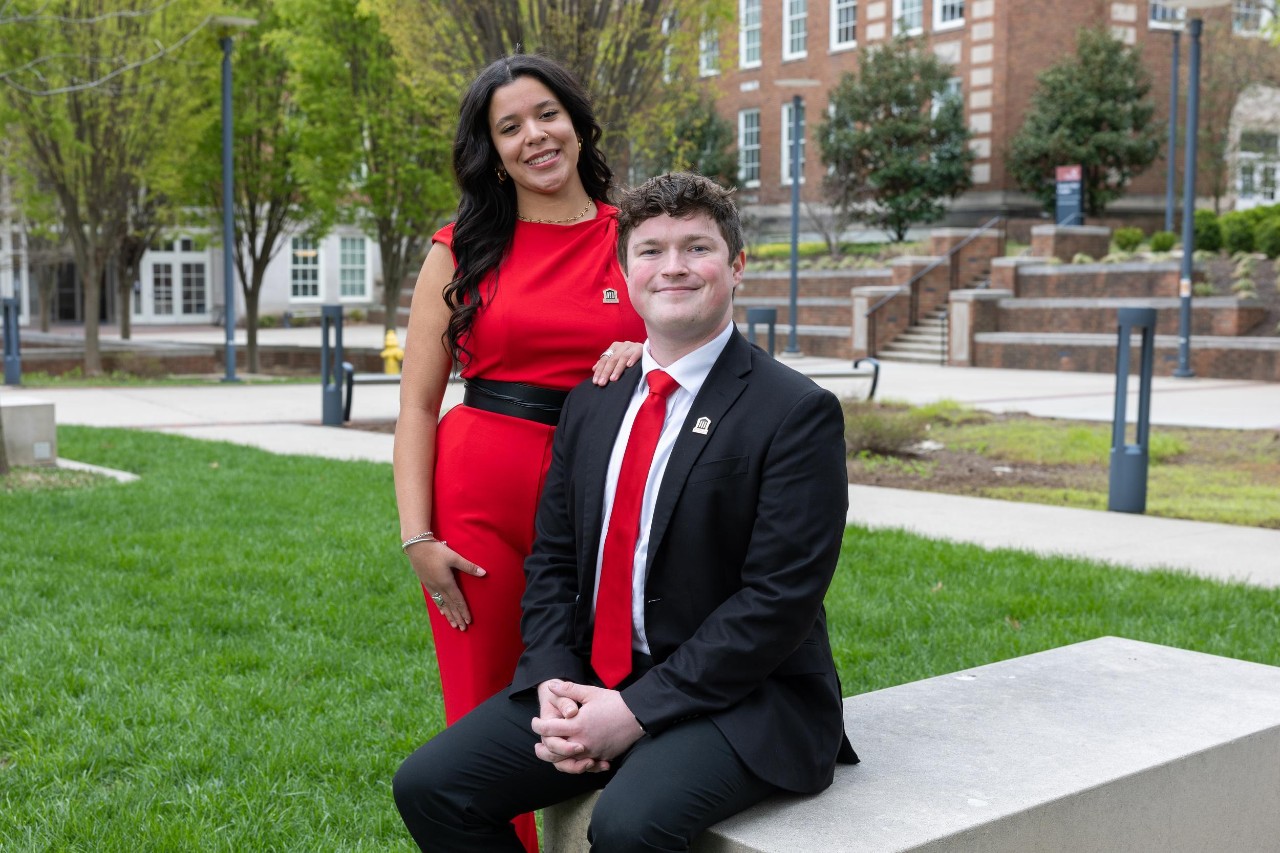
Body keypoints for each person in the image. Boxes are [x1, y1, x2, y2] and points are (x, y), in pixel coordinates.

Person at [393, 172, 858, 852]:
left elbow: (777, 601)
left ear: (736, 266)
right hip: (596, 676)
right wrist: (553, 675)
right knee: (432, 785)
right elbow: (553, 561)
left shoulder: (794, 412)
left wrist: (635, 710)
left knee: (628, 826)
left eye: (696, 248)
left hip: (746, 698)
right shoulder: (594, 401)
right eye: (651, 250)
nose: (673, 267)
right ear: (624, 269)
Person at [392, 54, 646, 851]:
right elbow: (416, 404)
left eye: (546, 115)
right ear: (492, 151)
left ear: (575, 121)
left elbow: (696, 344)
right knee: (482, 707)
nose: (534, 136)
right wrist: (416, 534)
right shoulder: (459, 246)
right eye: (510, 127)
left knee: (599, 684)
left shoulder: (635, 238)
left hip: (601, 489)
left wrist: (647, 353)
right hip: (480, 495)